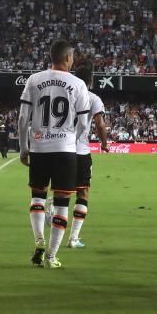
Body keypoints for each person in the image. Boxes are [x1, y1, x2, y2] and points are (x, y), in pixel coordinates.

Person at [18, 40, 91, 269]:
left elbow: (22, 118)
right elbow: (84, 122)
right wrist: (72, 138)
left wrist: (23, 147)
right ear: (68, 58)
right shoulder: (78, 84)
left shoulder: (34, 79)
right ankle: (51, 256)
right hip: (65, 150)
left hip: (39, 148)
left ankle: (39, 239)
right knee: (61, 204)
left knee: (38, 198)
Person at [68, 64, 109, 249]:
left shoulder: (66, 94)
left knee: (61, 191)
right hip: (81, 151)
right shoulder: (93, 98)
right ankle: (73, 238)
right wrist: (104, 143)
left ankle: (52, 208)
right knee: (82, 192)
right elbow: (100, 124)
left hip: (61, 148)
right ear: (91, 80)